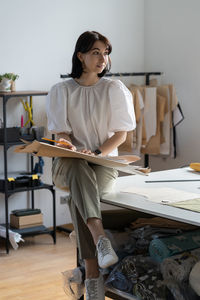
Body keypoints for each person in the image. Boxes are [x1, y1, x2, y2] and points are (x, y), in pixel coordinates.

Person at [46, 31, 136, 300]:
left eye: (106, 53)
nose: (102, 58)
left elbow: (121, 134)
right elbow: (60, 135)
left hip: (103, 163)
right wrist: (72, 148)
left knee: (79, 194)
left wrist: (95, 152)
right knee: (77, 169)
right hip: (69, 162)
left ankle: (92, 276)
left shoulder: (114, 89)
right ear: (80, 56)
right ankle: (100, 239)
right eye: (96, 52)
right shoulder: (61, 91)